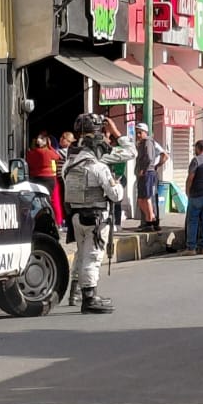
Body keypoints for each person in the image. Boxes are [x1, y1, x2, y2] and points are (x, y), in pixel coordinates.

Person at [62, 113, 124, 313]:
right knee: (92, 257)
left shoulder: (68, 166)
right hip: (96, 220)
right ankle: (89, 298)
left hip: (76, 218)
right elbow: (115, 195)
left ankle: (79, 293)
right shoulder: (99, 168)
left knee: (81, 256)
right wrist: (118, 184)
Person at [133, 123, 169, 232]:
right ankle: (151, 218)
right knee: (142, 199)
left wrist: (144, 169)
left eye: (140, 132)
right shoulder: (143, 143)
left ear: (145, 132)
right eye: (137, 132)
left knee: (146, 198)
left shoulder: (147, 142)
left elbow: (150, 157)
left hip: (147, 173)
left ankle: (150, 221)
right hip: (147, 172)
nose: (138, 135)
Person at [27, 133, 62, 227]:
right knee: (48, 200)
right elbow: (57, 156)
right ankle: (52, 221)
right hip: (49, 178)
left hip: (35, 178)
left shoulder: (31, 153)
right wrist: (50, 146)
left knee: (36, 200)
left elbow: (28, 161)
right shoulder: (48, 152)